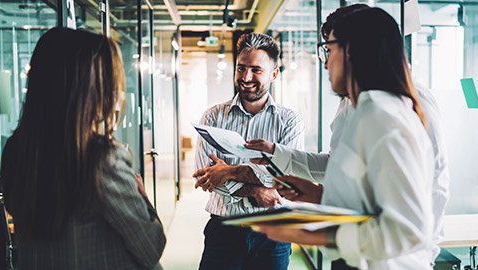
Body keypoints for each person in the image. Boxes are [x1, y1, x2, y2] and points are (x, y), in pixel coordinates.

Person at [246, 4, 450, 269]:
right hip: (360, 255)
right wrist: (317, 195)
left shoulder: (384, 112)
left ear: (353, 50)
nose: (325, 61)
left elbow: (413, 220)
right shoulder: (360, 105)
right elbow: (359, 179)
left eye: (329, 50)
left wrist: (321, 232)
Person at [1, 27, 166, 270]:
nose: (111, 91)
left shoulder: (17, 151)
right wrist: (142, 195)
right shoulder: (103, 159)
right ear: (85, 88)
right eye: (104, 80)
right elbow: (151, 247)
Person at [192, 33, 305, 269]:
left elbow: (287, 178)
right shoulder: (212, 117)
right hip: (223, 231)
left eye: (256, 70)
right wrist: (257, 191)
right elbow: (206, 175)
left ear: (274, 74)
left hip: (273, 234)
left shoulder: (289, 122)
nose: (246, 77)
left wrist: (230, 171)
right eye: (241, 68)